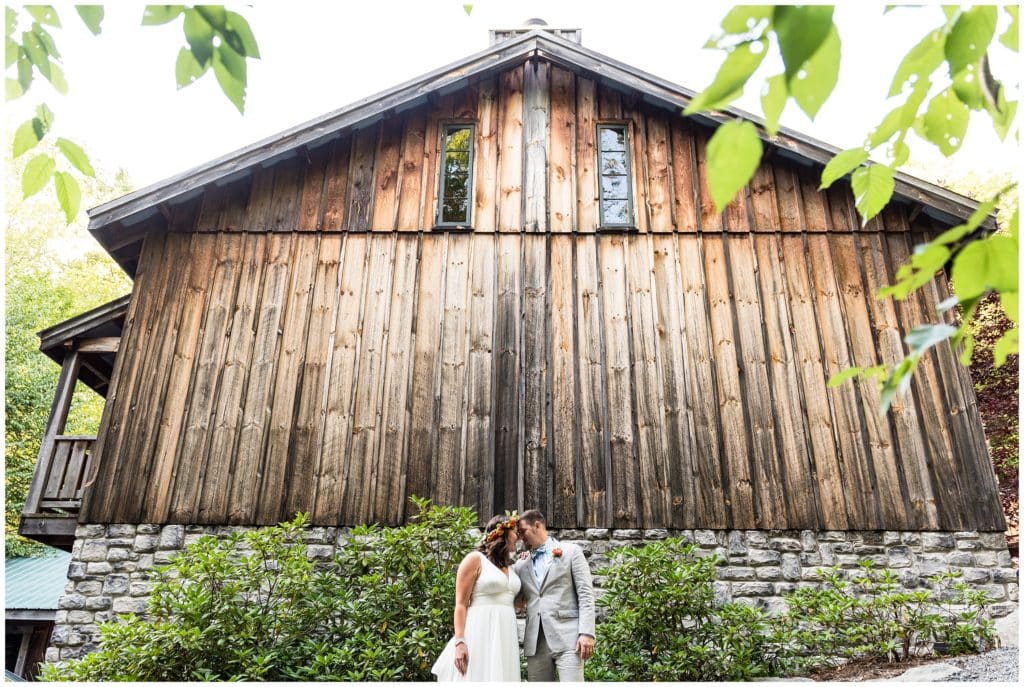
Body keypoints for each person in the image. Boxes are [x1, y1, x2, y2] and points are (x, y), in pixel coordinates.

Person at [431, 514, 522, 682]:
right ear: (502, 533)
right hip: (480, 628)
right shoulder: (475, 559)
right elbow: (460, 604)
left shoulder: (510, 567)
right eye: (516, 532)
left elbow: (517, 600)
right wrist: (459, 642)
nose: (518, 537)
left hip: (505, 631)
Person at [514, 510, 596, 682]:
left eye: (522, 531)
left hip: (569, 639)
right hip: (535, 643)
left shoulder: (571, 552)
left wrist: (587, 633)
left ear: (537, 525)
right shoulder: (521, 565)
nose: (520, 537)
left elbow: (586, 595)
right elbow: (515, 597)